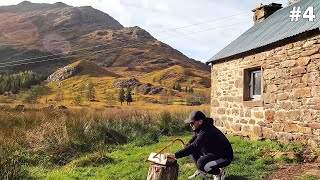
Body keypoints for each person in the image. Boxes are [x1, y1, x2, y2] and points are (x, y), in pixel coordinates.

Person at [165, 110, 233, 180]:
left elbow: (195, 145)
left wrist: (174, 155)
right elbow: (196, 136)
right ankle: (202, 171)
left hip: (225, 156)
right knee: (191, 149)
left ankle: (219, 173)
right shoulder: (202, 126)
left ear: (200, 121)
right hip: (213, 152)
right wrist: (189, 142)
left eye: (192, 123)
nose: (190, 125)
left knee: (201, 164)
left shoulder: (206, 131)